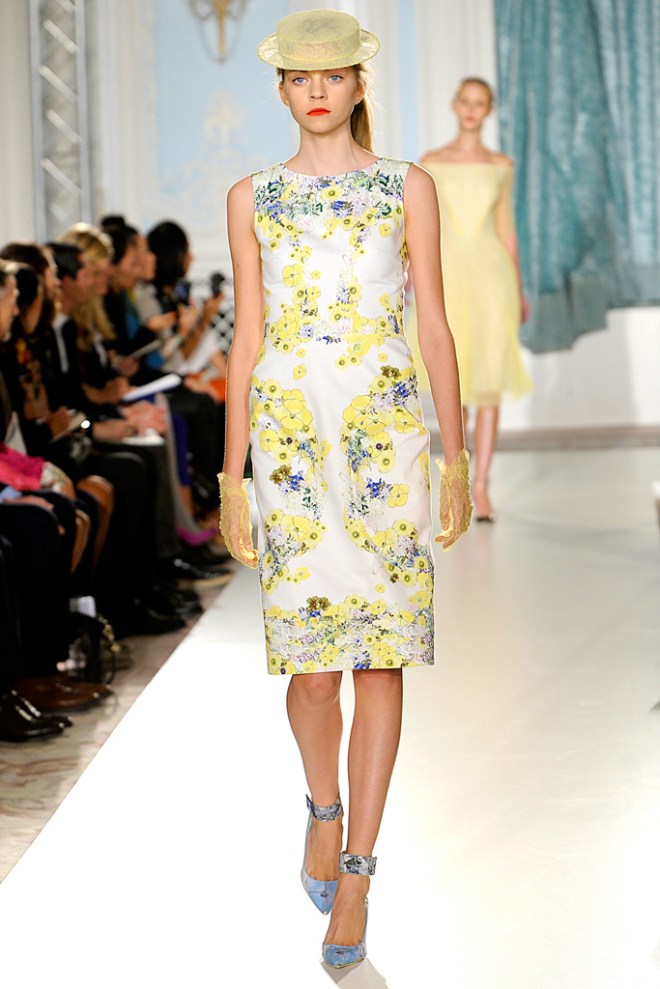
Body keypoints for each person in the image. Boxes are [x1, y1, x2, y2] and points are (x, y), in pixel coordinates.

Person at [218, 9, 472, 969]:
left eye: (333, 75)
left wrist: (454, 457)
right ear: (282, 89)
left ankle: (359, 869)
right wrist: (232, 474)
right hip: (290, 440)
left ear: (360, 83)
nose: (317, 90)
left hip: (385, 441)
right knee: (313, 671)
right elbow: (248, 336)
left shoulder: (407, 186)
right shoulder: (252, 197)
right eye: (300, 77)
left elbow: (434, 323)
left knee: (380, 660)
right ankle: (321, 806)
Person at [419, 77, 533, 521]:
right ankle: (459, 484)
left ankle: (481, 486)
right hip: (448, 275)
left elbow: (507, 231)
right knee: (455, 384)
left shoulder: (501, 164)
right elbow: (422, 224)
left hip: (491, 278)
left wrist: (518, 289)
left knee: (488, 385)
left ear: (488, 110)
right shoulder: (431, 163)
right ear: (454, 106)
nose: (471, 109)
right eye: (465, 101)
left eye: (479, 103)